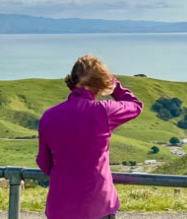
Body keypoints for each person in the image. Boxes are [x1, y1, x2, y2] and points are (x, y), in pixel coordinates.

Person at [37, 55, 143, 219]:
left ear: (72, 80)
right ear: (101, 84)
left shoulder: (48, 116)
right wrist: (114, 84)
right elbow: (135, 106)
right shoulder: (103, 111)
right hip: (97, 204)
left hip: (60, 206)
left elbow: (44, 163)